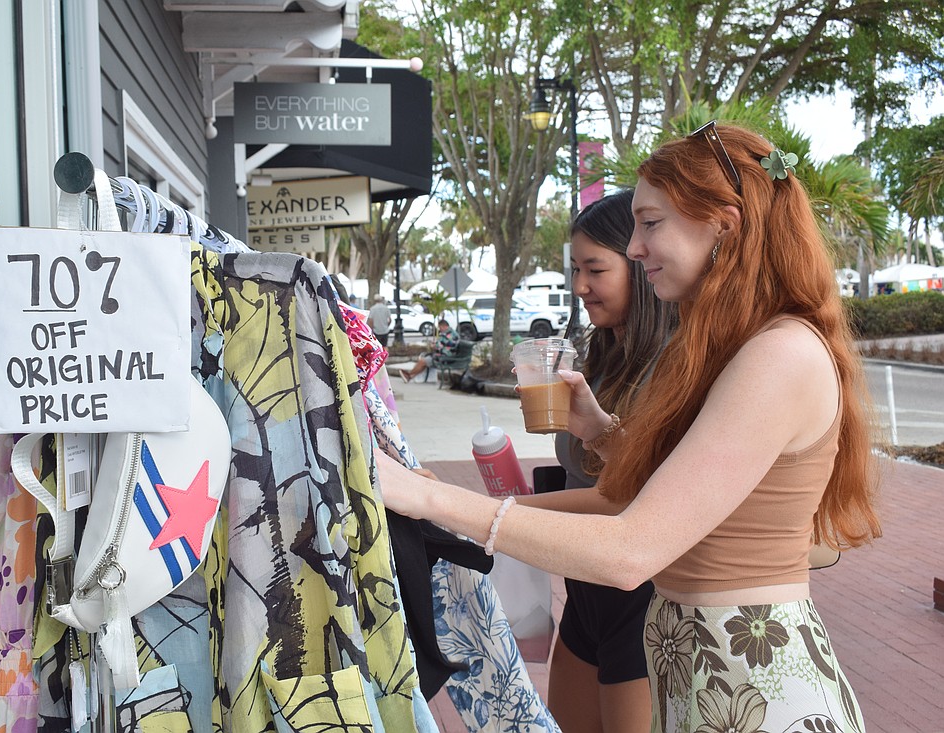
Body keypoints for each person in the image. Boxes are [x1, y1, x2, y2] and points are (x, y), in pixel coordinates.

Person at [377, 122, 881, 732]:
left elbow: (630, 550)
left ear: (724, 224)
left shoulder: (779, 355)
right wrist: (605, 434)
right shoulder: (739, 347)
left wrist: (434, 498)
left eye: (650, 222)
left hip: (759, 685)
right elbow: (689, 489)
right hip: (706, 674)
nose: (635, 247)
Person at [521, 190, 677, 733]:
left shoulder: (677, 365)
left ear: (639, 265)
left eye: (595, 269)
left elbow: (628, 498)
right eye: (574, 270)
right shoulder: (601, 353)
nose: (580, 286)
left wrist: (504, 512)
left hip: (643, 598)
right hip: (586, 591)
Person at [399, 318, 459, 383]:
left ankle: (409, 375)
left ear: (444, 326)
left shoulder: (449, 334)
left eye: (440, 327)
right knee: (424, 361)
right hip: (446, 355)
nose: (439, 329)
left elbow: (442, 346)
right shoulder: (449, 333)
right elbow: (443, 344)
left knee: (423, 361)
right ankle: (410, 376)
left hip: (446, 357)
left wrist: (434, 346)